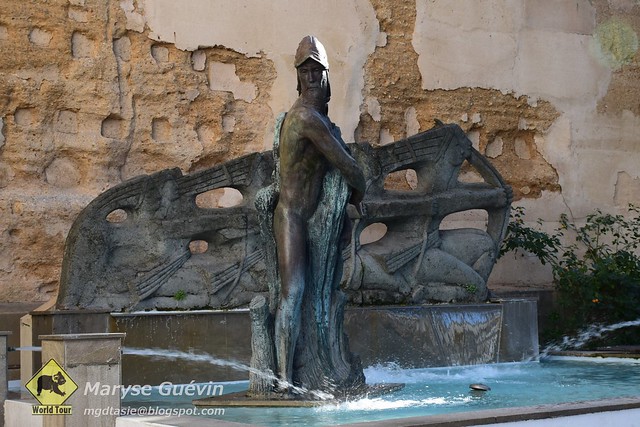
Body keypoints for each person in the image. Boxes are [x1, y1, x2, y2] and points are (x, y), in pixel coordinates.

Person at [273, 35, 366, 388]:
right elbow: (350, 167)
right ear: (298, 78)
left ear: (326, 76)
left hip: (316, 218)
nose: (312, 76)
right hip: (292, 217)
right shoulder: (305, 119)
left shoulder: (321, 119)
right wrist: (359, 193)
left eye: (317, 70)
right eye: (306, 71)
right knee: (292, 293)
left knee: (320, 294)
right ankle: (284, 379)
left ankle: (320, 365)